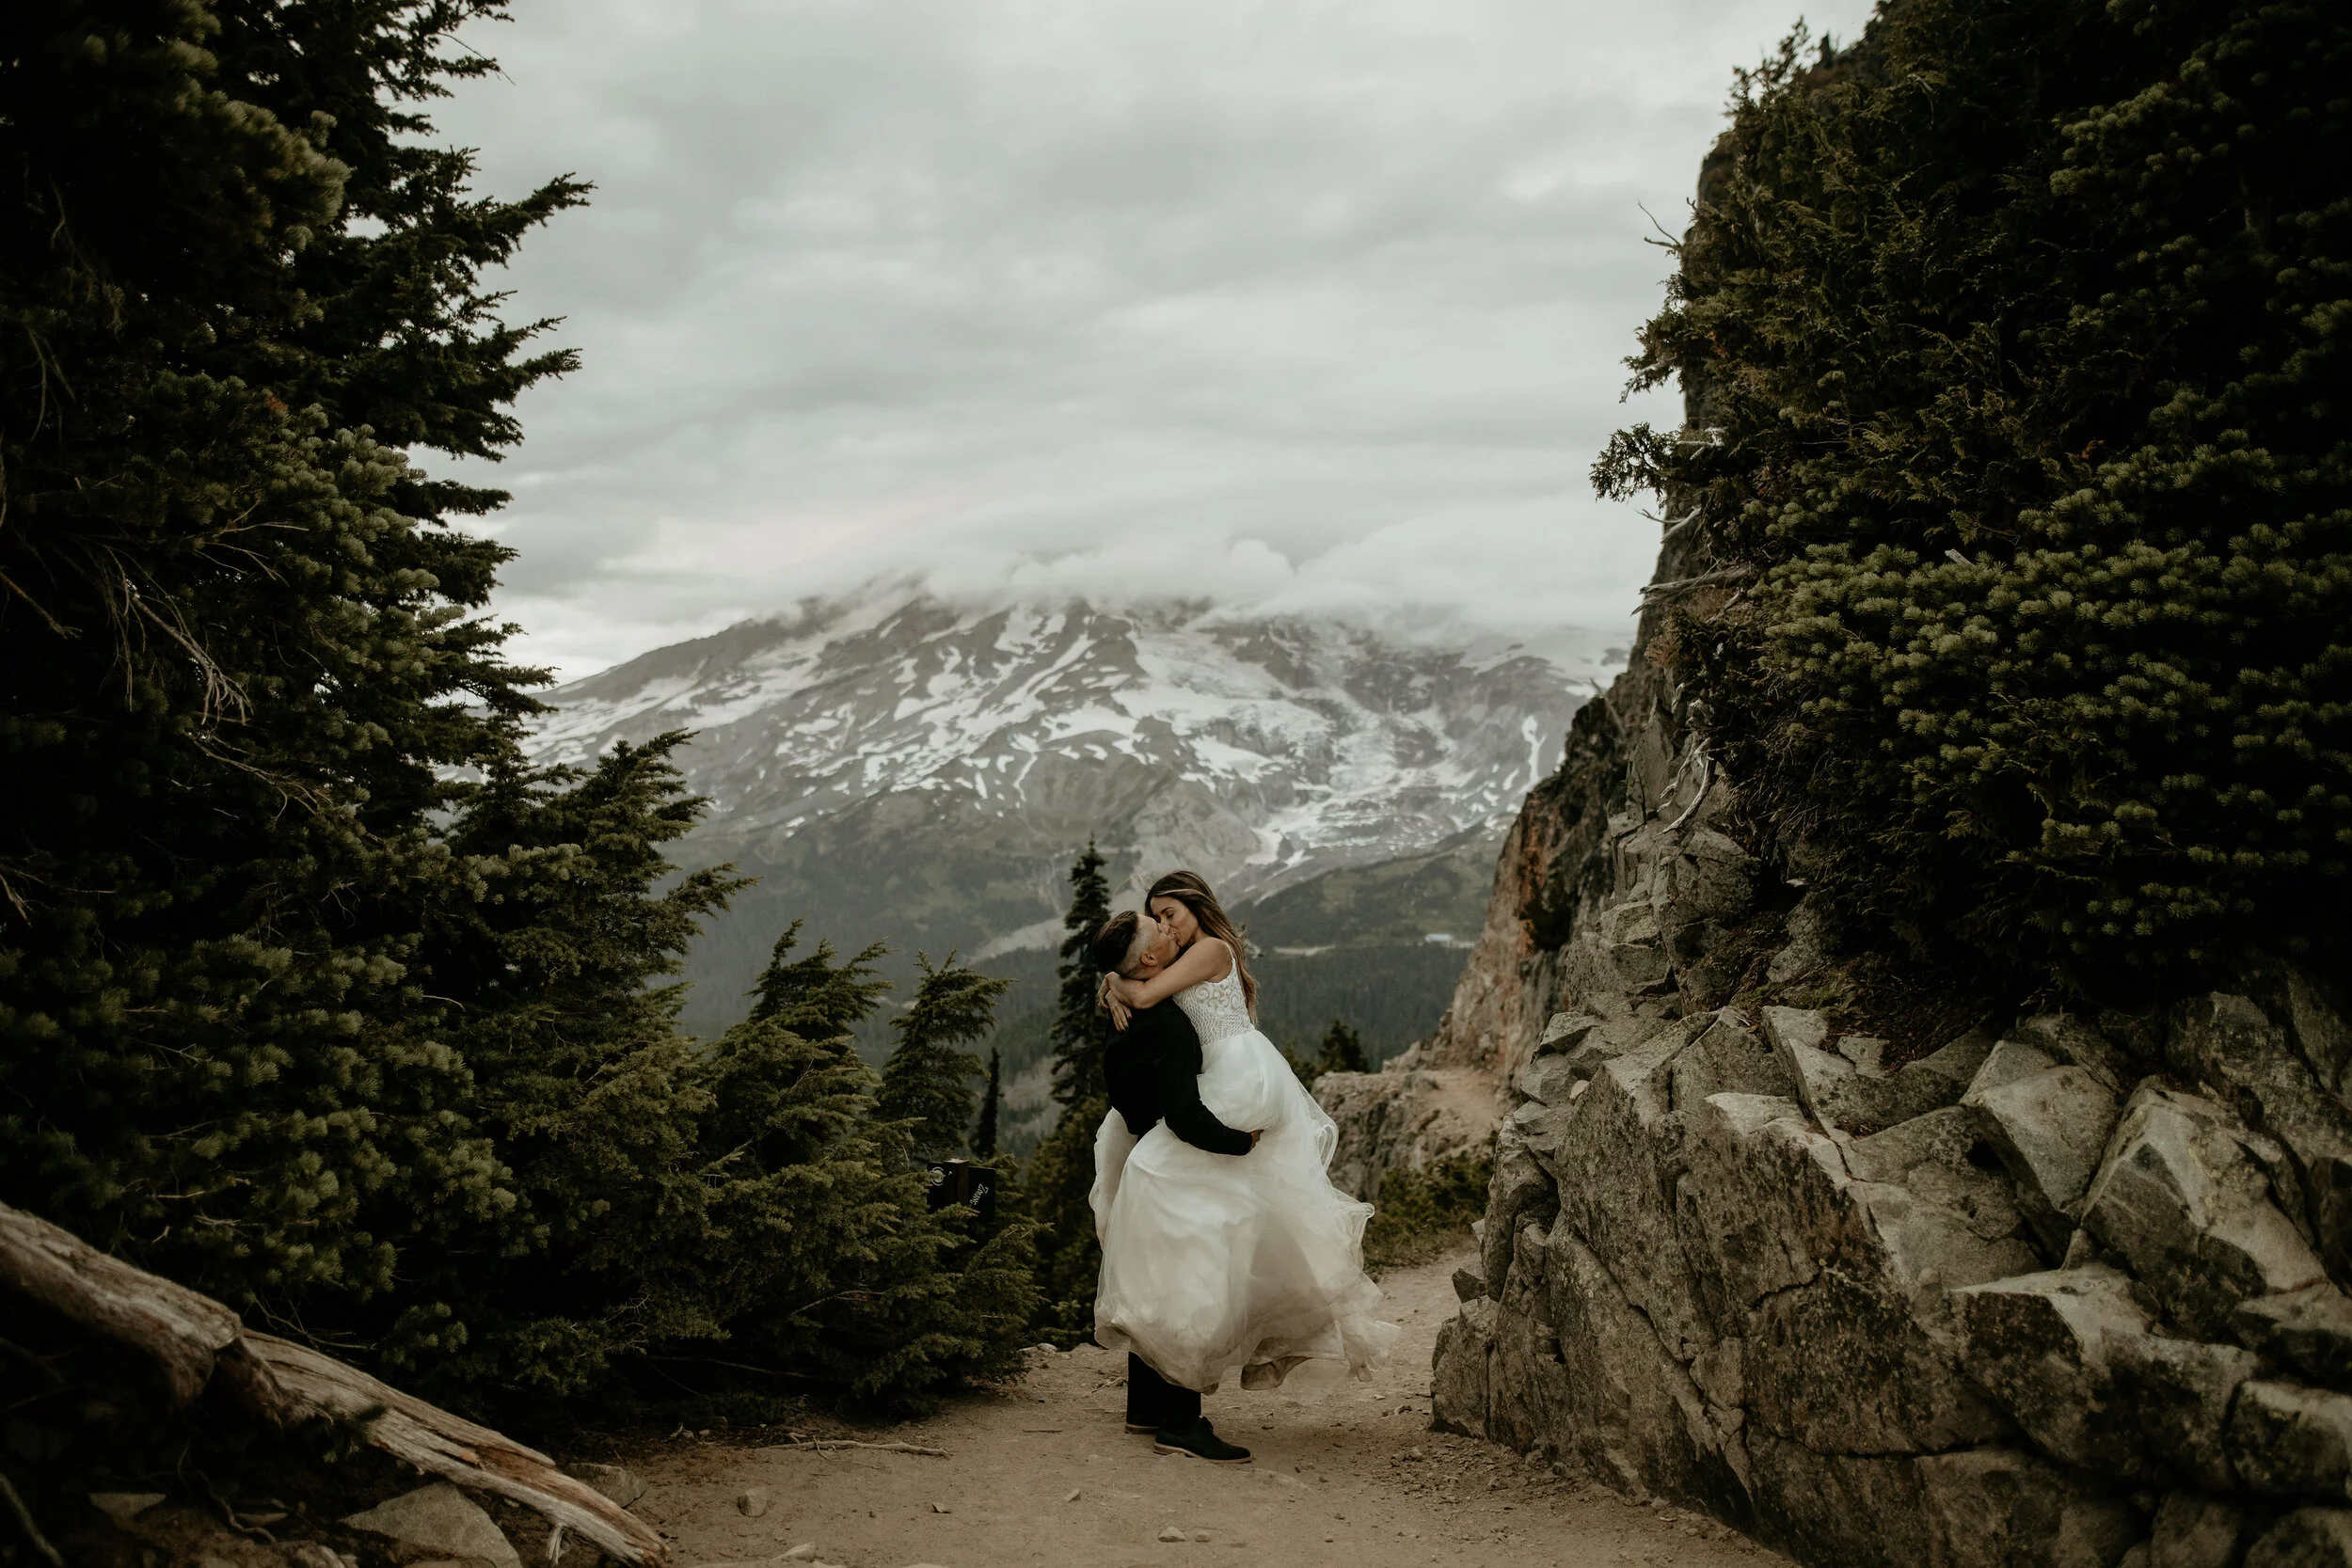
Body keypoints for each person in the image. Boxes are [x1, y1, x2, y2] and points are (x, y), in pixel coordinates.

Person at [1087, 871, 1397, 1449]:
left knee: (1197, 1221)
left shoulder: (1210, 948)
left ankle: (1170, 1398)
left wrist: (1115, 982)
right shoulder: (1172, 952)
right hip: (1208, 1080)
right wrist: (1114, 978)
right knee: (1199, 1225)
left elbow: (1148, 990)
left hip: (1235, 1078)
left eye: (1171, 912)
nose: (1165, 924)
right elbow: (1148, 977)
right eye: (1156, 915)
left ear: (1198, 909)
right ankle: (1163, 1405)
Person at [1091, 912, 1261, 1463]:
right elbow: (1185, 1115)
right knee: (1192, 1284)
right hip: (1171, 1169)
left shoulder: (1131, 1016)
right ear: (1148, 961)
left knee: (1153, 1284)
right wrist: (1242, 1142)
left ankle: (1144, 1410)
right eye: (1158, 929)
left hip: (1143, 1162)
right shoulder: (1167, 1025)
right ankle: (1181, 1425)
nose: (1170, 932)